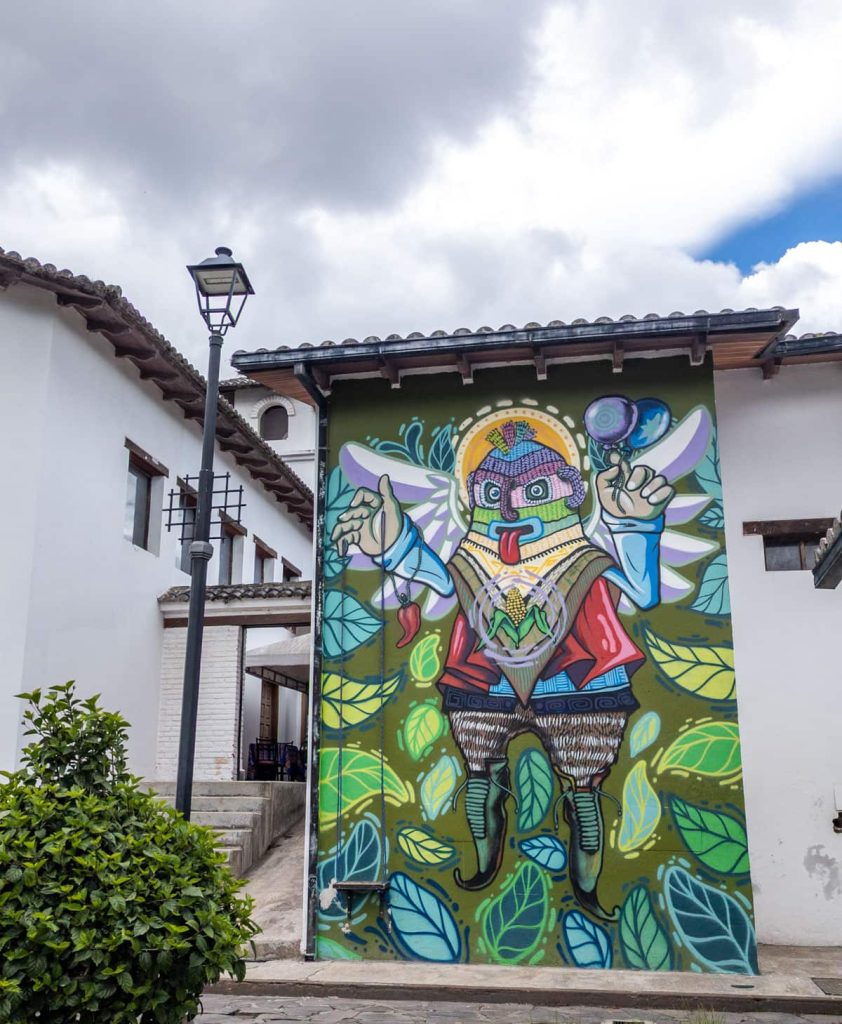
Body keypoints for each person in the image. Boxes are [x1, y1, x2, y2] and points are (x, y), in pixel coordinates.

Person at [332, 420, 673, 920]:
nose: (512, 509)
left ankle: (586, 884)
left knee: (584, 790)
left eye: (533, 491)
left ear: (567, 493)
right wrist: (393, 544)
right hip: (485, 684)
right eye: (495, 493)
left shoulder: (580, 551)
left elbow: (643, 592)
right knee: (480, 776)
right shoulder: (473, 555)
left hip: (579, 684)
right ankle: (483, 862)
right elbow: (435, 575)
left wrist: (637, 526)